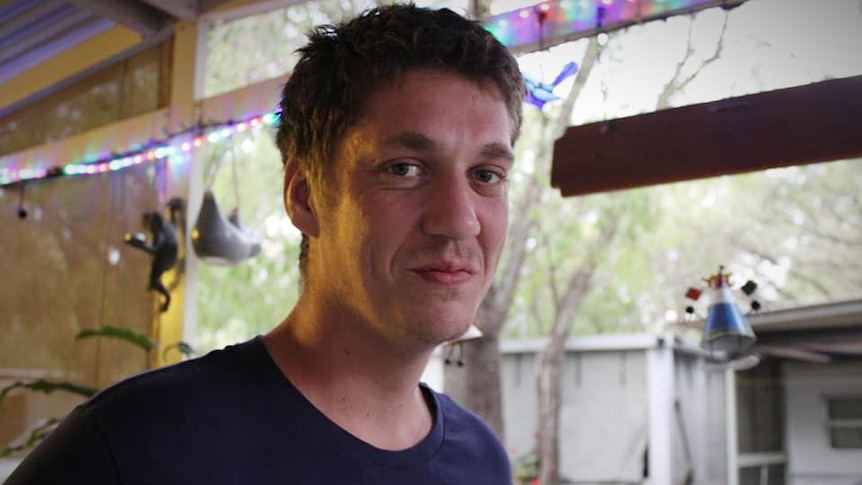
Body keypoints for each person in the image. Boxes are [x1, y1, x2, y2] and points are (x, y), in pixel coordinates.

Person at [6, 3, 525, 484]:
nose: (459, 221)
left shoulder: (481, 462)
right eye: (404, 168)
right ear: (305, 197)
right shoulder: (136, 446)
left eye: (486, 174)